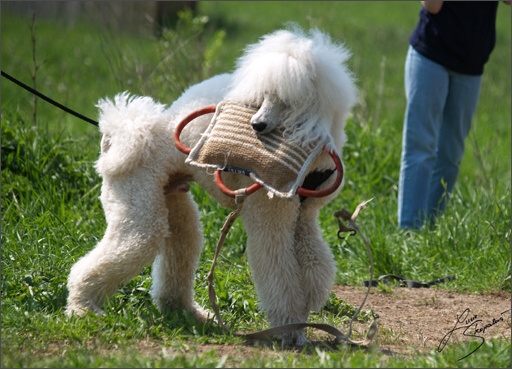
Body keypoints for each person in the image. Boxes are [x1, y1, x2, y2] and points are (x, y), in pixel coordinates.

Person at [397, 1, 509, 229]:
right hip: (431, 55)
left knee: (451, 155)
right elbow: (432, 6)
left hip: (471, 65)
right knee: (421, 148)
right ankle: (409, 233)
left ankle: (430, 229)